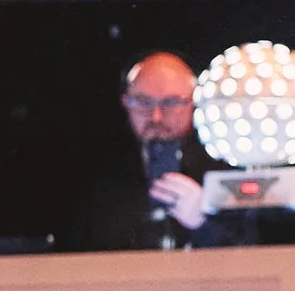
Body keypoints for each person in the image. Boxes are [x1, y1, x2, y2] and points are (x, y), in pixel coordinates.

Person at [75, 50, 227, 251]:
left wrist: (203, 223)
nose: (156, 116)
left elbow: (253, 252)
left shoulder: (221, 165)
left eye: (171, 103)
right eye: (143, 102)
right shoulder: (97, 173)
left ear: (193, 103)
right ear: (125, 102)